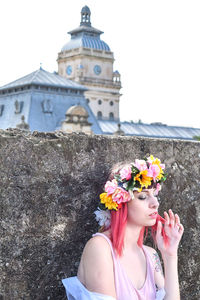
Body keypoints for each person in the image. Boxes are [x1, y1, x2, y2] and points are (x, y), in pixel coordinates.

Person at [62, 155, 184, 300]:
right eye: (143, 197)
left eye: (155, 195)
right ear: (120, 202)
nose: (155, 203)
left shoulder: (151, 255)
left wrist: (170, 255)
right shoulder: (100, 248)